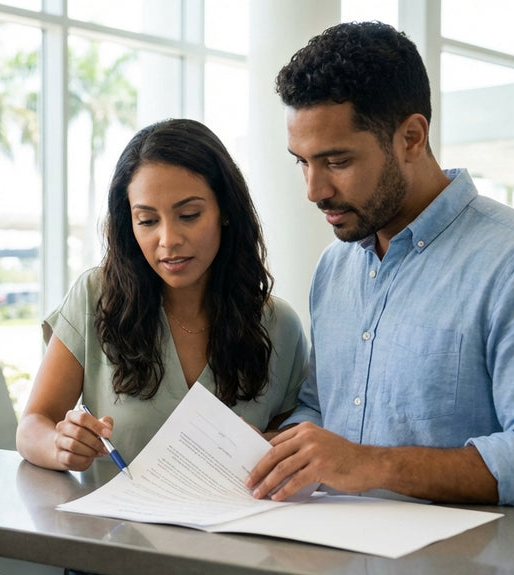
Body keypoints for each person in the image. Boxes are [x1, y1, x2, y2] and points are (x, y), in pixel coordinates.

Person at [245, 21, 514, 512]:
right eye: (302, 162)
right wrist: (278, 447)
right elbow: (322, 408)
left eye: (337, 161)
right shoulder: (335, 267)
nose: (314, 190)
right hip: (339, 567)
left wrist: (372, 464)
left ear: (411, 137)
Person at [16, 118, 308, 471]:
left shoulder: (279, 326)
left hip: (233, 525)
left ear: (226, 212)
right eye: (148, 221)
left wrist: (267, 447)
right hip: (114, 526)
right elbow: (33, 424)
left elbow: (291, 446)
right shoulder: (95, 297)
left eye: (189, 215)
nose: (168, 240)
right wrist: (59, 445)